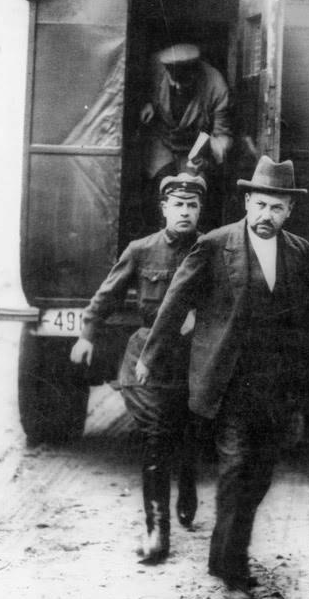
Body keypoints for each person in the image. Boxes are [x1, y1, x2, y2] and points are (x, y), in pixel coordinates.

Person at [136, 156, 309, 599]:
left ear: (289, 211)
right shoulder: (214, 246)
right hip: (229, 385)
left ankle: (222, 553)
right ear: (246, 202)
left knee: (259, 476)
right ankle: (235, 575)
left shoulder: (300, 252)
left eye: (276, 208)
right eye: (260, 205)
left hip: (277, 388)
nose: (266, 216)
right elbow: (175, 301)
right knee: (237, 471)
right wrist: (150, 355)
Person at [70, 173, 207, 564]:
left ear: (200, 210)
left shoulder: (212, 249)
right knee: (156, 434)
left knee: (190, 428)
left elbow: (228, 301)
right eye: (178, 205)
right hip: (148, 356)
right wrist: (87, 335)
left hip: (195, 357)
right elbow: (106, 295)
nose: (185, 212)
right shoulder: (142, 250)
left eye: (192, 205)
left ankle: (188, 485)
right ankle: (157, 530)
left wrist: (199, 316)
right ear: (164, 208)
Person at [140, 43, 233, 230]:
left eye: (184, 82)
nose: (178, 87)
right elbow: (138, 90)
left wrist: (209, 152)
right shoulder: (154, 67)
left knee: (191, 191)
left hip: (194, 148)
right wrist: (148, 103)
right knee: (162, 187)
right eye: (173, 81)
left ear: (195, 73)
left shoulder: (216, 85)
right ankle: (162, 234)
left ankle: (192, 239)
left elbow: (223, 135)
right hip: (162, 140)